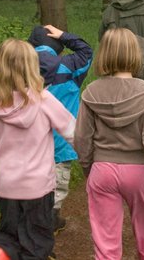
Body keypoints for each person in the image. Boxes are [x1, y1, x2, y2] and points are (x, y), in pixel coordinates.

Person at [0, 39, 77, 260]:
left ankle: (2, 251)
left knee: (9, 233)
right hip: (39, 188)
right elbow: (73, 133)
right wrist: (92, 161)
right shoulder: (44, 100)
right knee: (37, 242)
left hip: (7, 188)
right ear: (32, 67)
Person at [75, 28, 144, 260]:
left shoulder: (91, 93)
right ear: (135, 54)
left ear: (104, 54)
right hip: (138, 171)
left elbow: (82, 139)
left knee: (105, 242)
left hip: (102, 170)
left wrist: (89, 169)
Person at [27, 24, 93, 234]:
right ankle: (48, 222)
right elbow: (86, 51)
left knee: (33, 183)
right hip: (61, 142)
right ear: (59, 47)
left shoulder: (19, 67)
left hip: (29, 142)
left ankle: (38, 219)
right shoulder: (69, 66)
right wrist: (64, 35)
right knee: (57, 184)